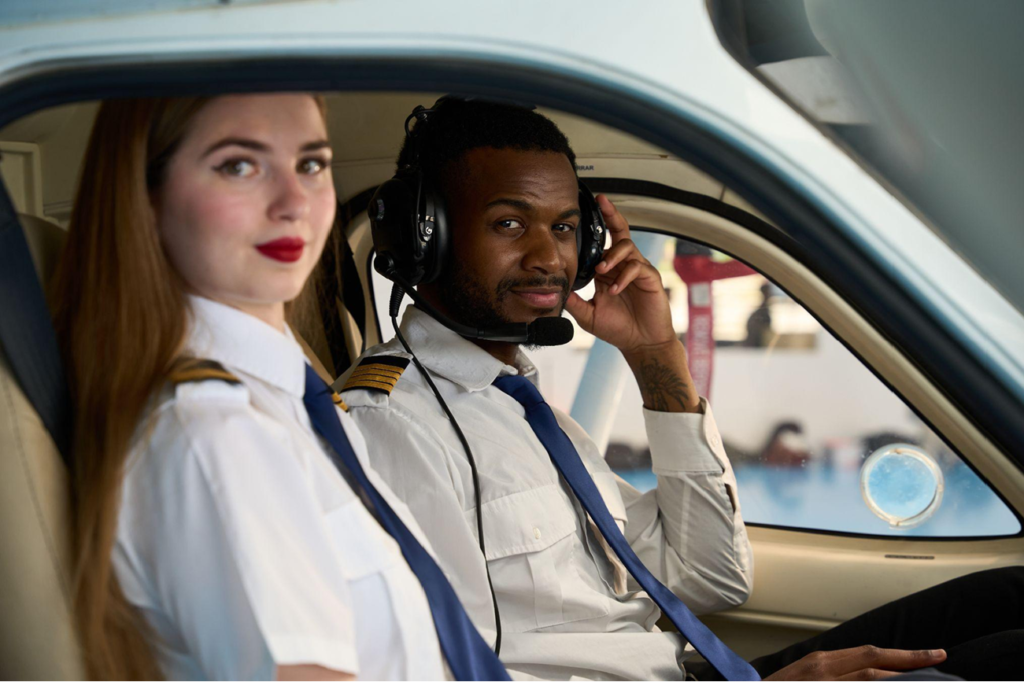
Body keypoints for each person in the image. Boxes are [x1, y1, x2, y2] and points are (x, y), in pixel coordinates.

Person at [341, 97, 1024, 681]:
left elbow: (710, 578)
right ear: (421, 236)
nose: (551, 258)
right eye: (510, 224)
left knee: (1010, 603)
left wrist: (654, 357)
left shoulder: (512, 399)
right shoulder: (391, 427)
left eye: (566, 228)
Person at [50, 94, 506, 681]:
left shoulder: (294, 400)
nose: (295, 202)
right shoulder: (215, 434)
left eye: (311, 164)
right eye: (239, 165)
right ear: (145, 197)